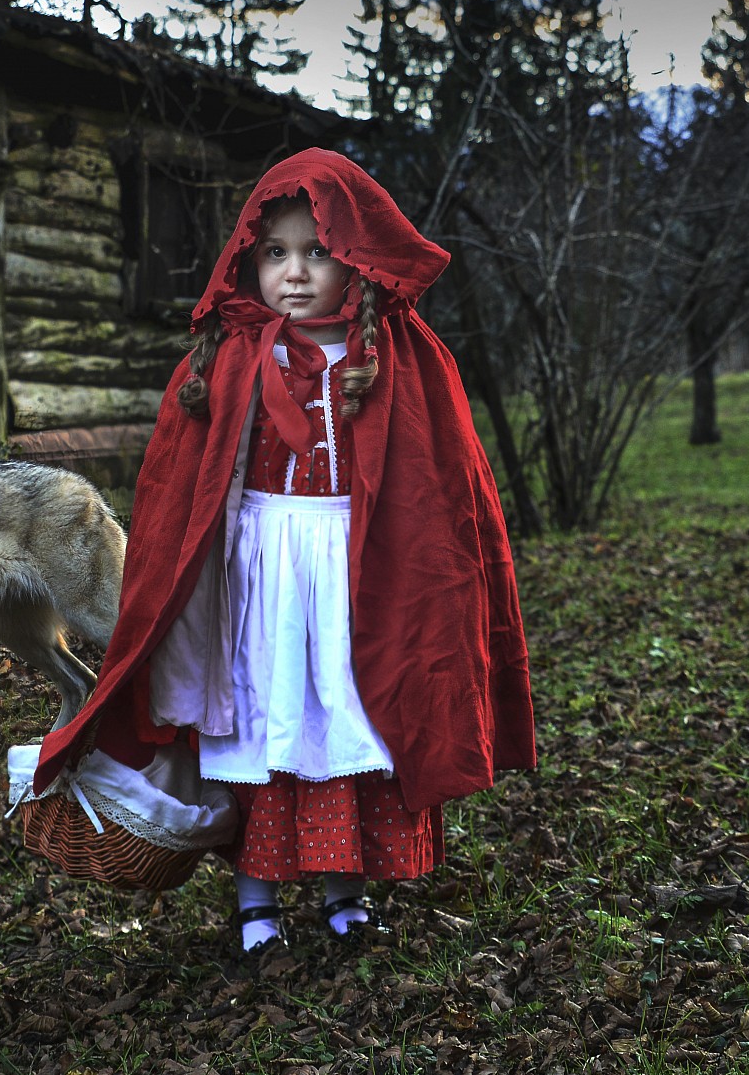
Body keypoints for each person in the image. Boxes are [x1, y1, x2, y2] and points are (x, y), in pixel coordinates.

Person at [33, 148, 535, 954]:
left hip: (357, 573)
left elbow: (442, 490)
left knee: (349, 716)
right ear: (249, 258)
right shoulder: (228, 356)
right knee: (262, 724)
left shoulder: (397, 357)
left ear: (356, 259)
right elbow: (175, 496)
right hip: (257, 575)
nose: (294, 273)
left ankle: (345, 896)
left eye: (317, 252)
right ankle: (255, 904)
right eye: (275, 253)